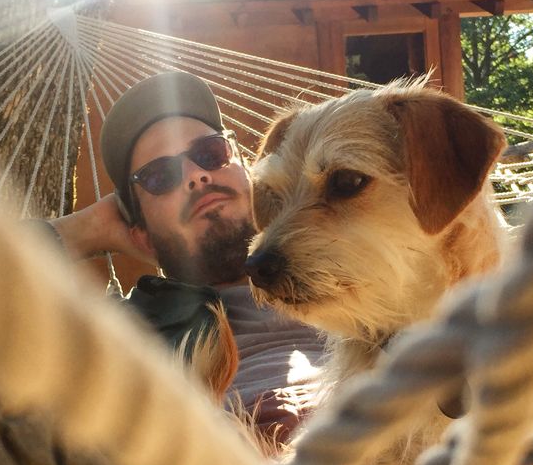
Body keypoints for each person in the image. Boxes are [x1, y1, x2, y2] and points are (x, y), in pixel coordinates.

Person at [44, 71, 327, 443]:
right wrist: (86, 229)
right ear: (142, 237)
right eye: (160, 177)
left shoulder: (355, 258)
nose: (195, 176)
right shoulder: (126, 333)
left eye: (209, 154)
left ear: (250, 174)